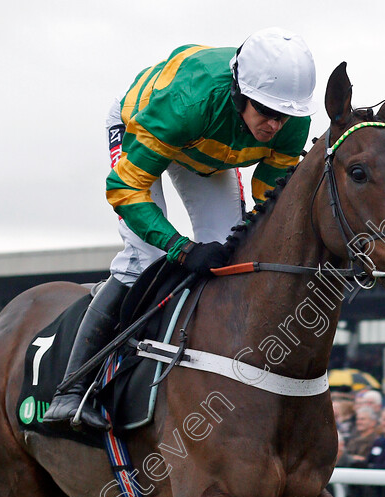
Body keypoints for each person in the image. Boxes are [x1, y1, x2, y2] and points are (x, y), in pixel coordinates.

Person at [44, 27, 319, 430]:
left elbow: (269, 194)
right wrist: (181, 248)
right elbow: (126, 187)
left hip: (205, 150)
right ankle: (69, 391)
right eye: (266, 112)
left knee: (231, 249)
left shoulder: (292, 117)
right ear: (240, 94)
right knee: (148, 259)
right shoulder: (184, 104)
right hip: (147, 126)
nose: (275, 125)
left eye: (285, 116)